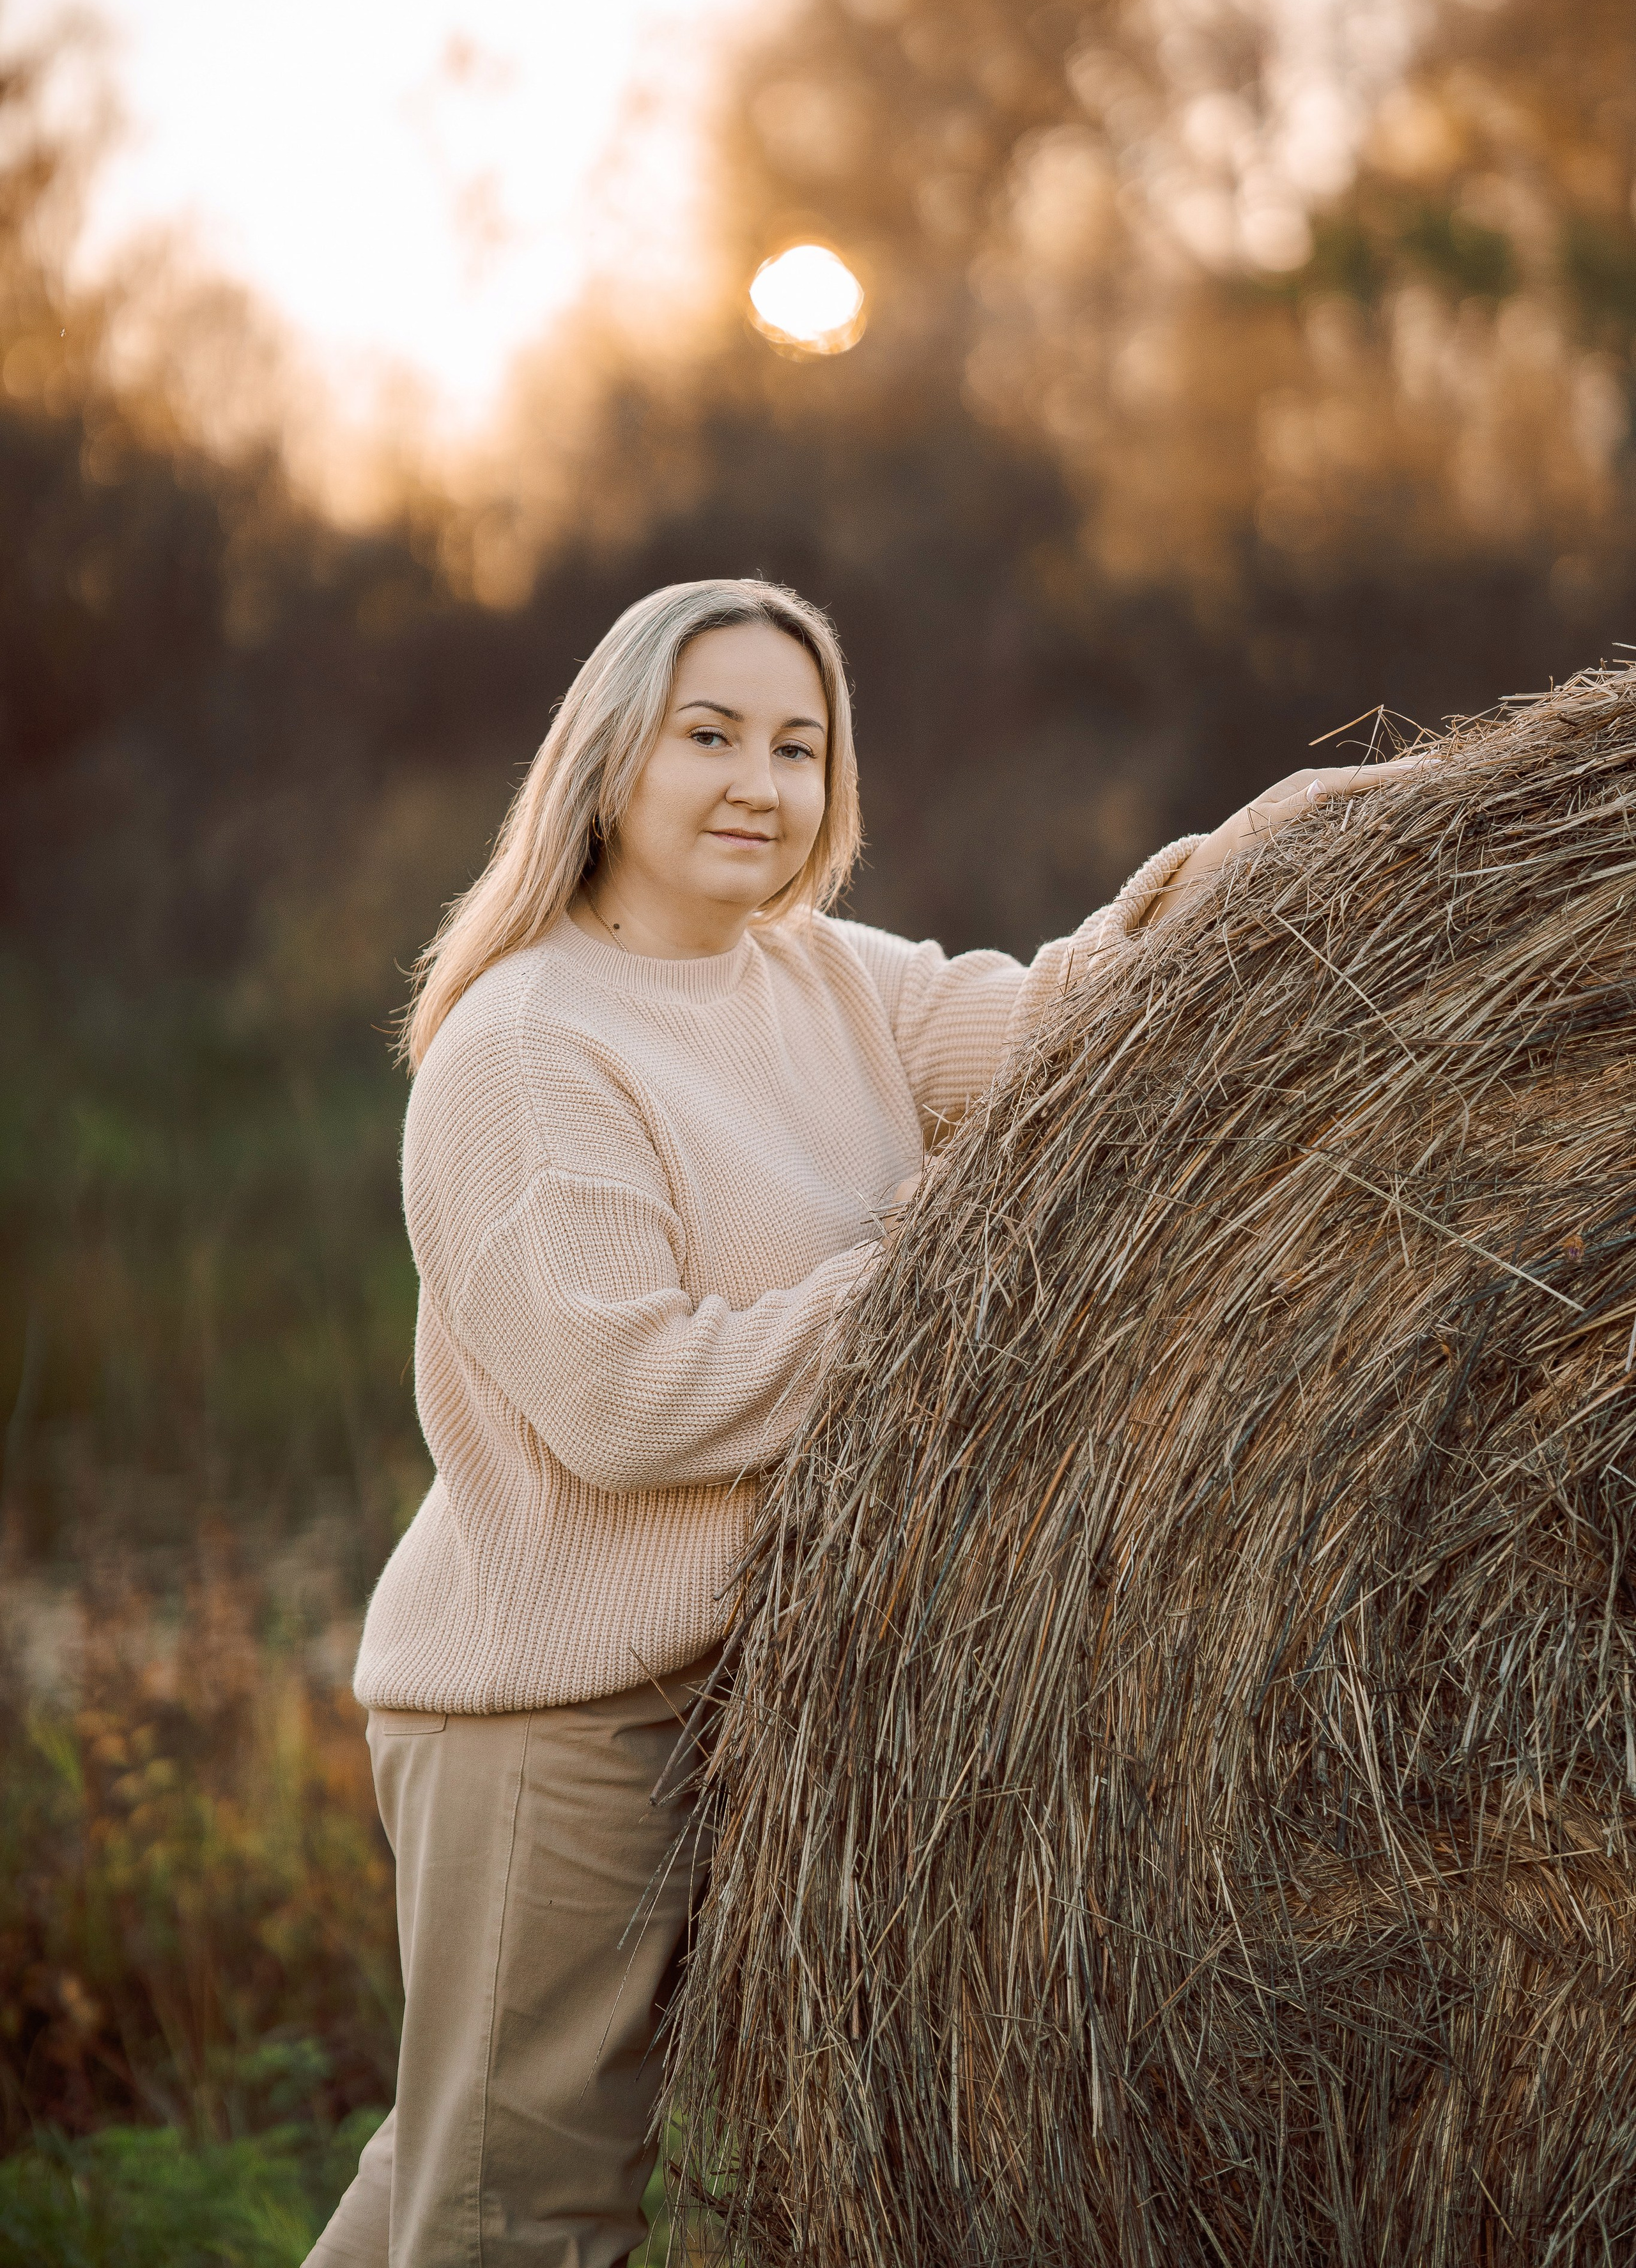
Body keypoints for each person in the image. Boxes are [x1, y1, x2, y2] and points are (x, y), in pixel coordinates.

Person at [306, 576, 1417, 2267]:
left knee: (452, 2169)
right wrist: (924, 1275)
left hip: (735, 1689)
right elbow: (627, 1399)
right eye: (711, 735)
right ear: (607, 759)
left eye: (799, 745)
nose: (760, 779)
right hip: (554, 1715)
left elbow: (1066, 1021)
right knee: (515, 2206)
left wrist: (1285, 847)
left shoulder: (821, 977)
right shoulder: (532, 1043)